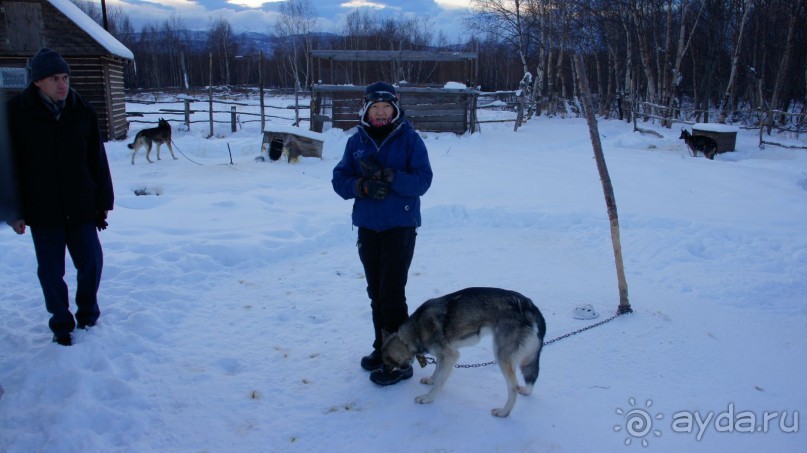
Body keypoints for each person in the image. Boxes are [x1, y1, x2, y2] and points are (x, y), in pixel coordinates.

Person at [5, 48, 114, 346]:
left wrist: (103, 203)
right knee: (51, 272)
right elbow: (7, 163)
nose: (63, 84)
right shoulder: (16, 113)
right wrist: (13, 210)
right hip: (43, 209)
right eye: (55, 78)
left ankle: (88, 314)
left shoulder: (82, 110)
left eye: (65, 77)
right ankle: (61, 324)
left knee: (91, 263)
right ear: (38, 81)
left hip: (81, 205)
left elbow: (97, 159)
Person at [332, 81, 433, 385]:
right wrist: (360, 186)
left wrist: (390, 176)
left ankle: (400, 361)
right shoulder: (356, 142)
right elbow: (339, 180)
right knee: (376, 294)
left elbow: (422, 181)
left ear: (395, 108)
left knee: (391, 294)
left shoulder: (409, 140)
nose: (380, 112)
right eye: (375, 107)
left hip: (399, 227)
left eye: (386, 107)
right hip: (368, 227)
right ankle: (382, 348)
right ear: (365, 108)